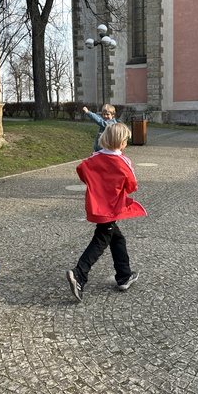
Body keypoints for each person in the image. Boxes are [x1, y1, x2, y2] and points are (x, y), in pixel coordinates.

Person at [67, 122, 147, 302]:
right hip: (111, 208)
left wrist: (95, 184)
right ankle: (79, 273)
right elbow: (132, 185)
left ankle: (124, 275)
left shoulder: (94, 157)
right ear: (122, 142)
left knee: (117, 238)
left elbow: (81, 170)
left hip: (96, 205)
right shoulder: (123, 161)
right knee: (101, 239)